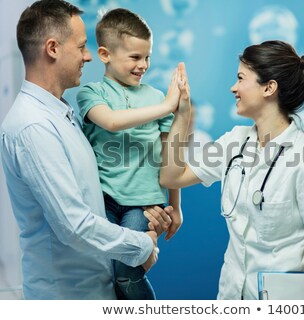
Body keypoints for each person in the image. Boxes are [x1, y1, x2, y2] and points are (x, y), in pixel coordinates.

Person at [0, 0, 158, 300]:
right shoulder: (33, 127)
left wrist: (145, 210)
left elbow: (94, 198)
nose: (88, 57)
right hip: (66, 298)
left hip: (96, 290)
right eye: (82, 46)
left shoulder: (62, 114)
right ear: (53, 48)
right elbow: (74, 225)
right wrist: (141, 246)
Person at [159, 40, 304, 299]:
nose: (233, 87)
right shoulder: (234, 141)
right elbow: (171, 177)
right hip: (232, 296)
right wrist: (183, 115)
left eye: (241, 78)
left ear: (269, 87)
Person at [76, 8, 183, 300]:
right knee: (105, 273)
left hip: (143, 206)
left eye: (147, 57)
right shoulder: (91, 93)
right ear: (104, 54)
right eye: (135, 57)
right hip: (104, 202)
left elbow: (169, 154)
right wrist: (166, 107)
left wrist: (176, 206)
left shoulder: (155, 96)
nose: (143, 65)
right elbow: (111, 121)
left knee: (126, 272)